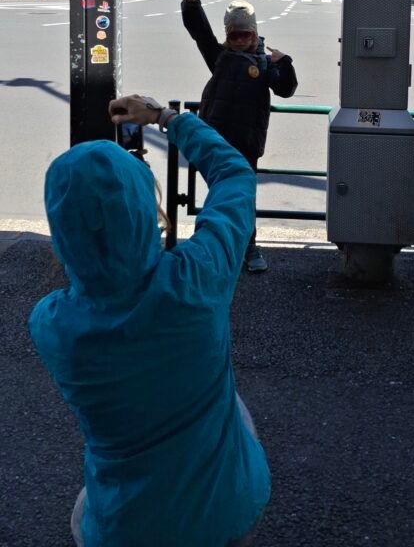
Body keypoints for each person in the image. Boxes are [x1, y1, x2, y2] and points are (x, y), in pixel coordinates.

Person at [29, 94, 270, 547]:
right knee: (234, 408)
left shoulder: (51, 325)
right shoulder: (196, 278)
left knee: (85, 510)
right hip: (223, 515)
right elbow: (235, 174)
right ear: (144, 211)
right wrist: (167, 118)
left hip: (123, 528)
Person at [179, 0, 298, 273]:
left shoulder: (265, 63)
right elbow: (200, 32)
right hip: (215, 141)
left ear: (255, 34)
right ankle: (213, 249)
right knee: (218, 196)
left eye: (246, 35)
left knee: (243, 198)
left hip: (246, 144)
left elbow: (286, 89)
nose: (240, 41)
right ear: (228, 35)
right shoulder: (219, 57)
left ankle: (249, 246)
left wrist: (284, 62)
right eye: (234, 35)